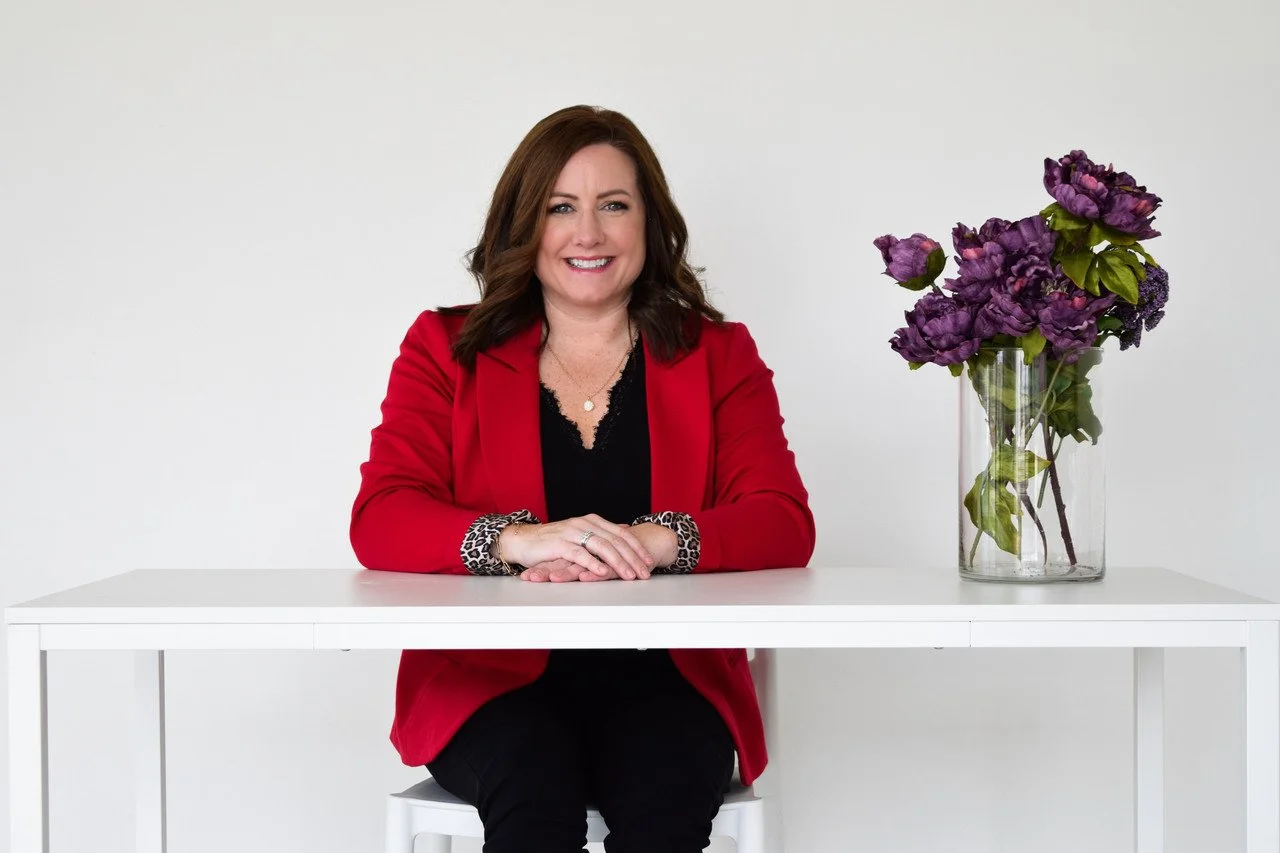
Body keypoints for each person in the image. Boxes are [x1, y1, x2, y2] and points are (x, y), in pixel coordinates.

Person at [351, 105, 815, 853]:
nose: (588, 233)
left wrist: (661, 540)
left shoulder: (718, 353)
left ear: (650, 223)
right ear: (523, 224)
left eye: (614, 206)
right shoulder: (445, 347)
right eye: (560, 207)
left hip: (672, 677)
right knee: (532, 790)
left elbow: (783, 520)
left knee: (664, 802)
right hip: (488, 683)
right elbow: (381, 515)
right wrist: (518, 540)